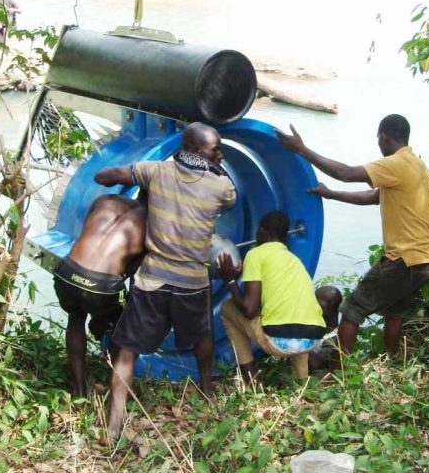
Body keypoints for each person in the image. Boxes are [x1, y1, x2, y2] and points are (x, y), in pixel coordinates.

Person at [94, 122, 236, 440]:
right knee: (202, 339)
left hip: (152, 280)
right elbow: (231, 199)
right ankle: (207, 390)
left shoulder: (155, 171)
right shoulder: (219, 186)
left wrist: (108, 177)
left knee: (127, 348)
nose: (220, 153)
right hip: (192, 282)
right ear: (200, 151)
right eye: (216, 149)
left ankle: (115, 420)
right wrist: (217, 168)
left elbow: (107, 177)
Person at [277, 113, 429, 361]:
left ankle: (341, 372)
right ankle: (390, 362)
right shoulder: (416, 164)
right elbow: (374, 197)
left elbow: (345, 172)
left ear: (384, 137)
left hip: (404, 260)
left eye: (378, 138)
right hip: (426, 260)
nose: (378, 143)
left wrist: (302, 150)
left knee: (353, 307)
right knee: (394, 309)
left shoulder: (395, 163)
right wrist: (331, 195)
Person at [216, 210, 342, 382]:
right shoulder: (295, 260)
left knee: (227, 308)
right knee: (298, 314)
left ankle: (251, 379)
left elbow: (249, 310)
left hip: (279, 343)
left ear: (261, 232)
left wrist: (230, 280)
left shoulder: (256, 254)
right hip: (311, 341)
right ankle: (302, 382)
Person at [53, 194, 146, 399]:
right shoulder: (149, 223)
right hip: (102, 287)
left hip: (67, 273)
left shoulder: (106, 199)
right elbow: (130, 271)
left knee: (75, 319)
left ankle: (78, 390)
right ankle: (119, 392)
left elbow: (86, 235)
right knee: (123, 326)